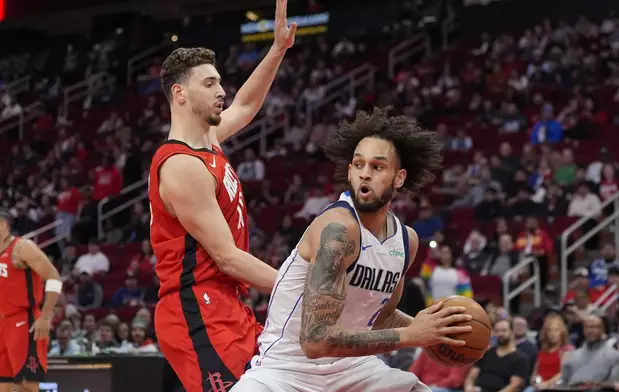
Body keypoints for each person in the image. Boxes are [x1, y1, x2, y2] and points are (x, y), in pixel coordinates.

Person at [232, 107, 474, 392]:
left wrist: (432, 331)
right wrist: (411, 335)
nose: (365, 174)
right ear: (349, 171)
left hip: (355, 369)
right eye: (358, 165)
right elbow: (315, 340)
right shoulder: (337, 228)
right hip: (286, 371)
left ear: (399, 178)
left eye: (378, 167)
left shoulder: (406, 241)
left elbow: (381, 315)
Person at [149, 1, 297, 391]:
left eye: (219, 81)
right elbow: (227, 257)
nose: (222, 90)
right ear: (179, 94)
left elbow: (246, 105)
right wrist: (300, 285)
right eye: (209, 84)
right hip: (196, 307)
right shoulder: (181, 165)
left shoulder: (208, 141)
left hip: (225, 303)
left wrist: (277, 49)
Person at [0, 209, 62, 392]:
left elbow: (54, 278)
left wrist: (45, 316)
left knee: (26, 384)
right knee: (4, 385)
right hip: (3, 323)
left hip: (24, 320)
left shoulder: (22, 248)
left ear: (3, 226)